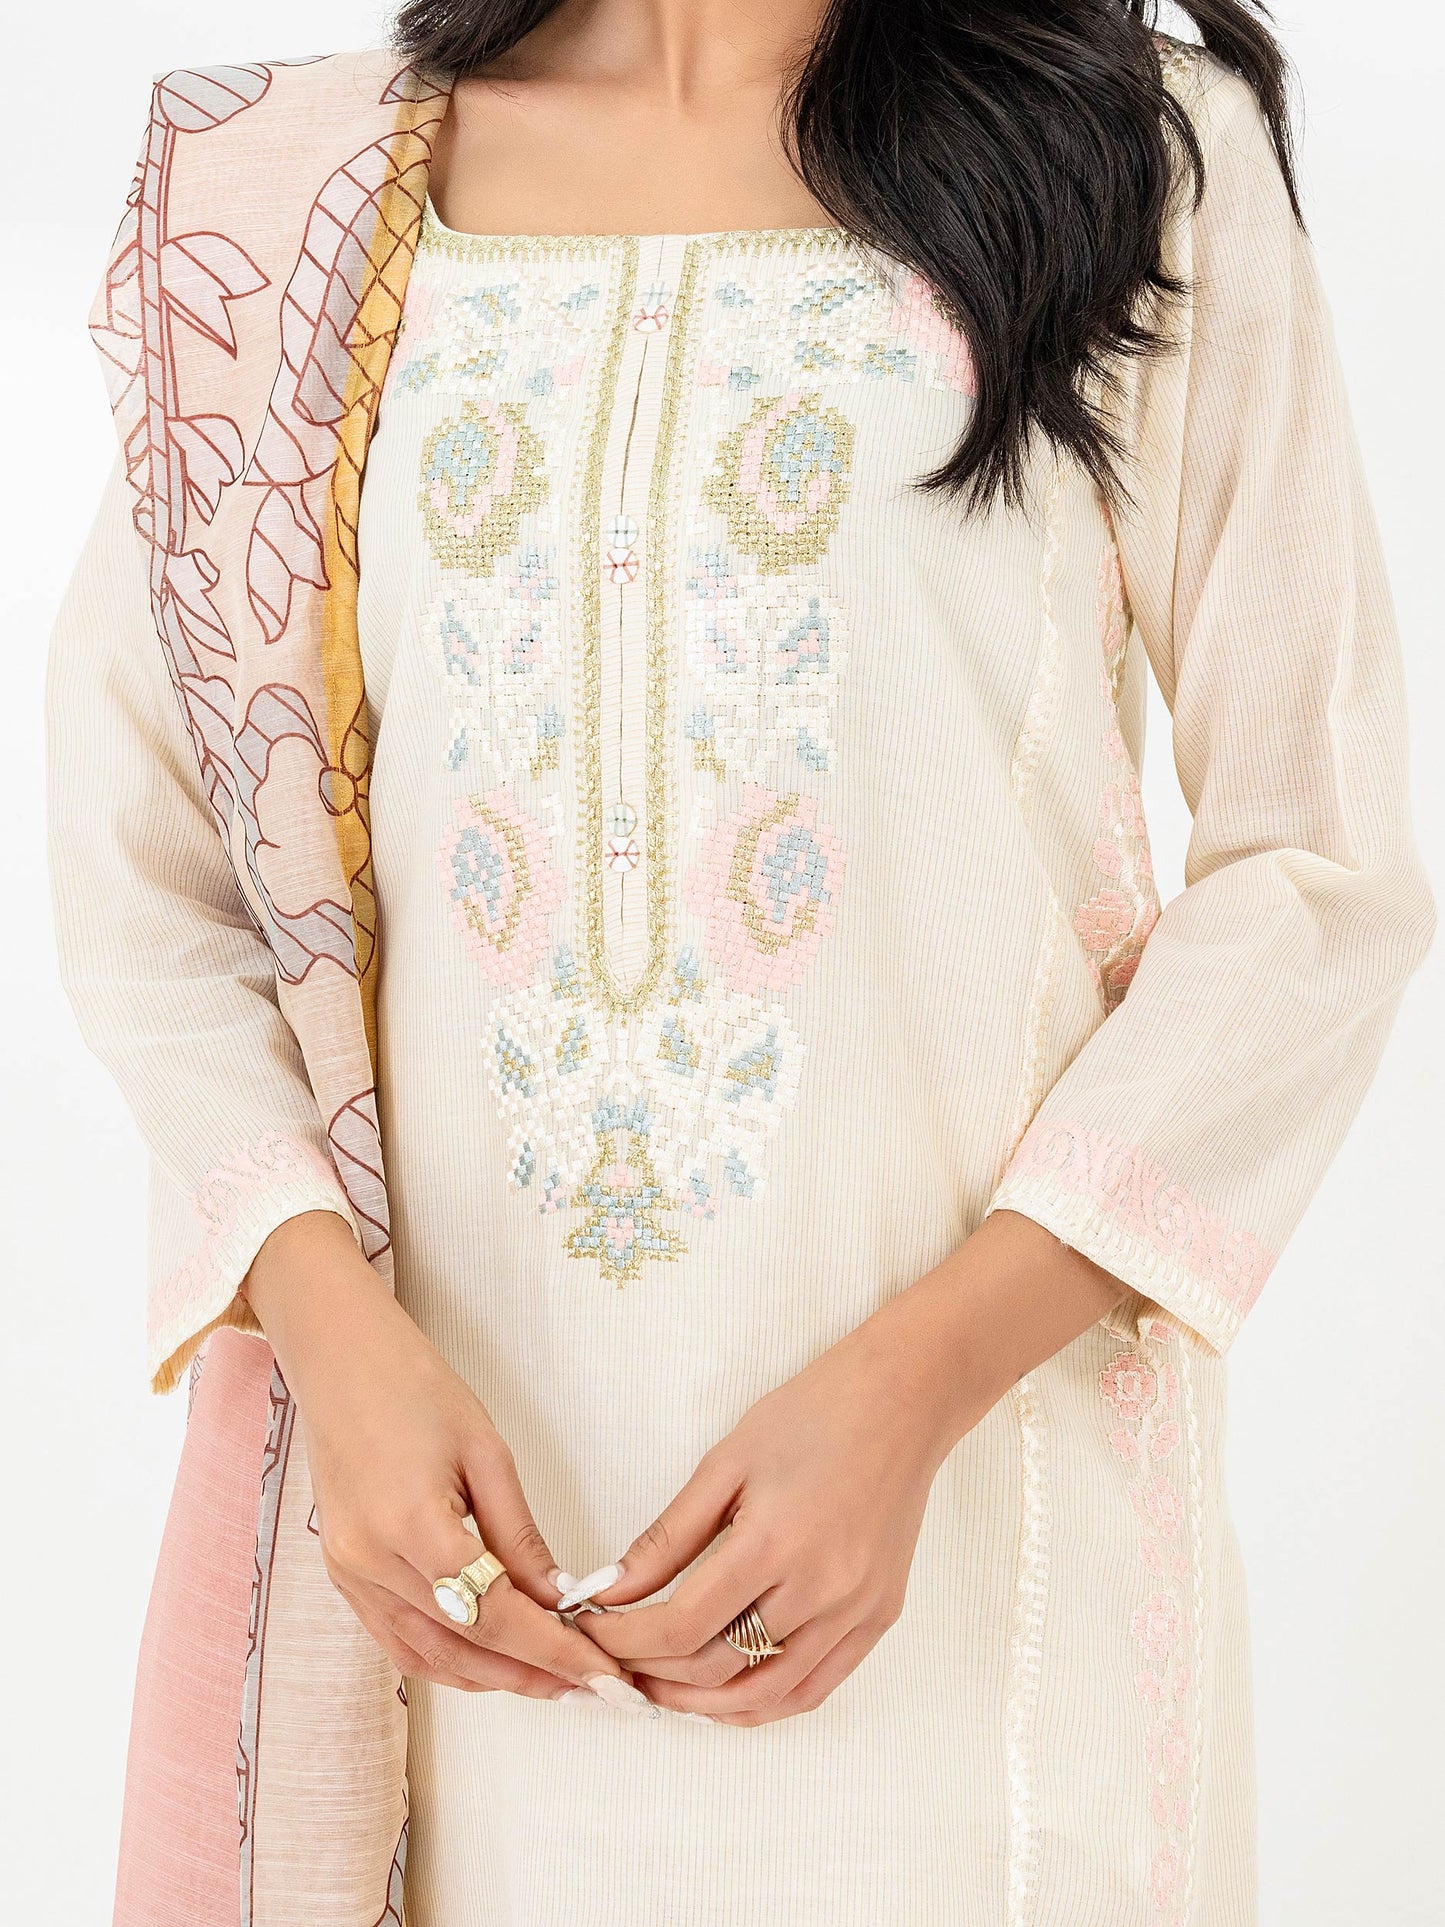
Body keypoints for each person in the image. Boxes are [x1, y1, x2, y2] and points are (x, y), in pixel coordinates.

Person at [47, 3, 1433, 1921]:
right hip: (456, 1596)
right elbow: (157, 863)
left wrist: (914, 1393)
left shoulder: (1122, 145)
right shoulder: (304, 206)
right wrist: (331, 1346)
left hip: (975, 1560)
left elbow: (1315, 863)